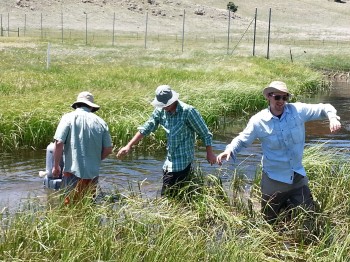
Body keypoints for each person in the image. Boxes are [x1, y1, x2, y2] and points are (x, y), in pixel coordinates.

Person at [217, 81, 341, 223]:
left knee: (309, 217)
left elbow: (325, 107)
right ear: (269, 97)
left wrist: (332, 118)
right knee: (269, 221)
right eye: (277, 97)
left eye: (285, 97)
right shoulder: (258, 121)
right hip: (273, 179)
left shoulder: (298, 111)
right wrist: (229, 150)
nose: (281, 101)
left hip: (297, 177)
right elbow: (242, 139)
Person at [117, 85, 216, 197]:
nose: (164, 107)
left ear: (173, 100)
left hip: (183, 159)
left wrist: (210, 153)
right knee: (172, 194)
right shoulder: (160, 111)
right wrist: (128, 146)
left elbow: (205, 133)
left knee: (167, 195)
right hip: (169, 161)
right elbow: (146, 128)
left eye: (166, 104)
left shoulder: (188, 111)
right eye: (162, 105)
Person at [52, 91, 113, 204]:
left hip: (71, 172)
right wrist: (95, 160)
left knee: (69, 205)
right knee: (88, 204)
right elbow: (108, 149)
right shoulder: (101, 122)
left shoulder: (68, 118)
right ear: (91, 107)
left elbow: (59, 143)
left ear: (77, 105)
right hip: (92, 173)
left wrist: (56, 167)